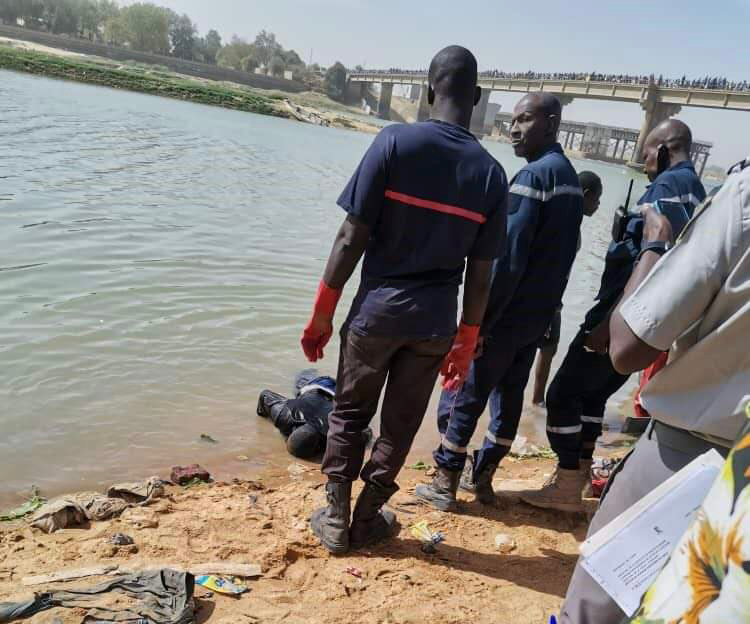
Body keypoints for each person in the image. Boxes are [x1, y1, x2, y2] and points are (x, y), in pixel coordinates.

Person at [300, 46, 508, 554]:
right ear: (477, 98)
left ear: (427, 89)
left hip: (377, 313)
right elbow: (481, 275)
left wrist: (322, 315)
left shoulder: (394, 143)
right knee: (401, 421)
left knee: (350, 412)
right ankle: (369, 519)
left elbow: (352, 236)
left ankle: (335, 518)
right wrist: (466, 339)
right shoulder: (491, 175)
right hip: (435, 323)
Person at [559, 155, 750, 623]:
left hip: (692, 460)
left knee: (594, 613)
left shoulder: (742, 198)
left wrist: (654, 248)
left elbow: (627, 347)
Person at [520, 119, 707, 513]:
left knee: (562, 394)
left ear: (661, 151)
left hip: (621, 316)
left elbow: (650, 264)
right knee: (592, 398)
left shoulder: (665, 189)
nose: (643, 166)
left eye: (645, 157)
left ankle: (567, 479)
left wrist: (607, 325)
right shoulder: (699, 194)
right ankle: (582, 476)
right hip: (653, 327)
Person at [415, 92, 583, 511]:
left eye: (524, 120)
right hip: (537, 318)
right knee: (510, 397)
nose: (513, 129)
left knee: (467, 395)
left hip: (507, 316)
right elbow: (565, 256)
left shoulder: (533, 179)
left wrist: (480, 324)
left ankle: (445, 478)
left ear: (550, 122)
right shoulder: (571, 183)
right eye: (512, 120)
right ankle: (484, 476)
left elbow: (507, 261)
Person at [531, 171, 603, 407]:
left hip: (549, 298)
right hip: (548, 299)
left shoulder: (568, 221)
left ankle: (535, 403)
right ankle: (535, 402)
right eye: (597, 199)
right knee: (545, 348)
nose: (598, 205)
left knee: (547, 348)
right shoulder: (570, 225)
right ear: (586, 194)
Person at [256, 372, 372, 460]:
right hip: (314, 389)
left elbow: (366, 431)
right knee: (303, 377)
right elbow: (264, 395)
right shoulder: (284, 416)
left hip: (326, 390)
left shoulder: (285, 417)